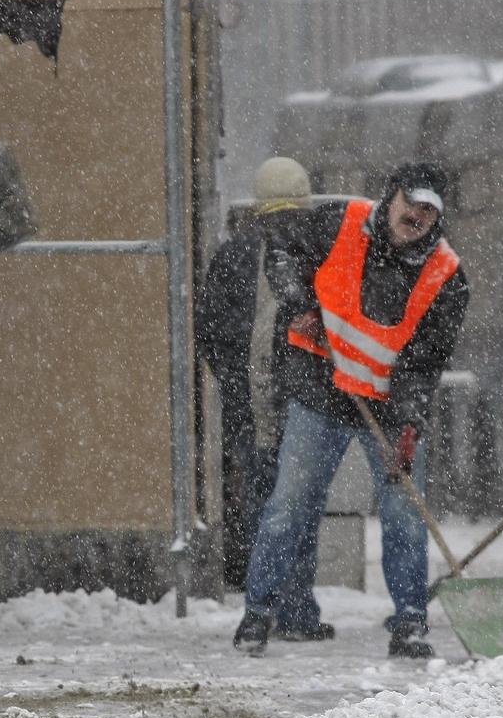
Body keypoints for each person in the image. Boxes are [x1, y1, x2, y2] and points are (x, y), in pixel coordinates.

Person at [232, 162, 469, 659]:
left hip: (385, 407)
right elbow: (280, 248)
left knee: (404, 514)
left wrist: (407, 424)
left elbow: (424, 363)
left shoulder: (446, 276)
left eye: (429, 210)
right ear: (392, 196)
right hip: (320, 389)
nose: (417, 216)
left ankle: (409, 624)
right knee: (289, 508)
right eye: (412, 203)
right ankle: (257, 615)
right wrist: (300, 302)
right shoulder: (338, 223)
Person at [194, 157, 311, 592]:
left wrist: (234, 379)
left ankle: (263, 600)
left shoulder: (233, 253)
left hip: (249, 404)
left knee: (263, 500)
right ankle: (295, 605)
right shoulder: (314, 252)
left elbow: (208, 328)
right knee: (300, 504)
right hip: (307, 403)